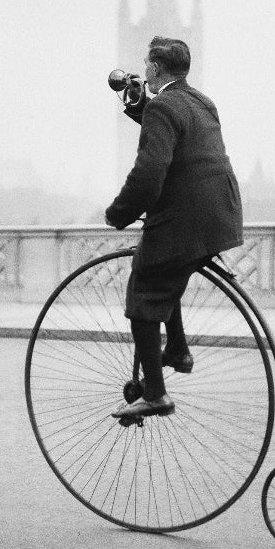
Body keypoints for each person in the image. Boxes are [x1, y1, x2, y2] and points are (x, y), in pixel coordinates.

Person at [106, 36, 243, 419]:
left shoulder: (164, 107)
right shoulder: (201, 101)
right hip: (221, 216)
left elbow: (149, 176)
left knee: (143, 296)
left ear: (154, 68)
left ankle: (156, 392)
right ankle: (178, 350)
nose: (143, 70)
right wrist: (140, 106)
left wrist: (119, 212)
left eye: (146, 65)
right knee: (169, 270)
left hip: (185, 220)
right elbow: (176, 129)